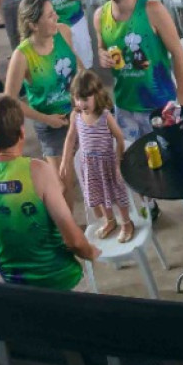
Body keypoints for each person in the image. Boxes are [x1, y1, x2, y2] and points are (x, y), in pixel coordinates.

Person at [0, 93, 96, 288]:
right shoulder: (38, 171)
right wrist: (91, 252)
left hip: (15, 280)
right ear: (22, 132)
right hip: (59, 278)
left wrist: (8, 240)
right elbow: (74, 241)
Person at [93, 0, 183, 137]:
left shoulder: (153, 10)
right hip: (124, 105)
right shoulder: (99, 16)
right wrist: (101, 54)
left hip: (160, 104)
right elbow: (101, 47)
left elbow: (178, 53)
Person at [3, 0, 81, 159]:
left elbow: (78, 67)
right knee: (63, 182)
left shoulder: (64, 32)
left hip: (78, 112)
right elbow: (10, 101)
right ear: (33, 25)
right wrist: (46, 119)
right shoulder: (22, 56)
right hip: (50, 124)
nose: (57, 17)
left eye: (54, 12)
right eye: (50, 15)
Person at [64, 68, 137, 240]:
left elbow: (119, 139)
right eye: (77, 99)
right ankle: (109, 220)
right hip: (89, 166)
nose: (81, 104)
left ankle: (126, 223)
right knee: (100, 195)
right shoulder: (76, 116)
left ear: (96, 95)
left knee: (117, 195)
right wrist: (64, 161)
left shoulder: (105, 116)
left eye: (85, 99)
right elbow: (70, 139)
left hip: (108, 164)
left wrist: (119, 163)